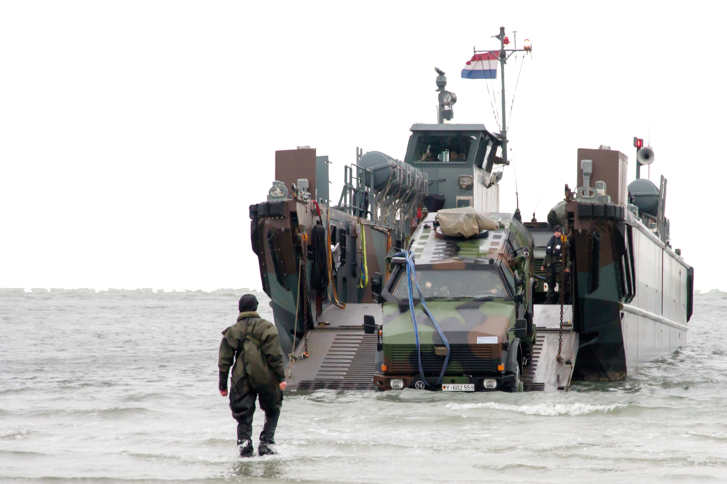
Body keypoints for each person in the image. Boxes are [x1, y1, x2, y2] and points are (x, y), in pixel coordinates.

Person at [218, 294, 287, 457]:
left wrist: (223, 385)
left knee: (243, 414)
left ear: (240, 309)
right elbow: (274, 356)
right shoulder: (268, 327)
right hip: (266, 377)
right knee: (273, 408)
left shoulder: (232, 331)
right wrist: (281, 378)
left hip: (241, 379)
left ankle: (245, 447)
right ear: (255, 308)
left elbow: (224, 361)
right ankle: (266, 443)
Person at [542, 225, 571, 304]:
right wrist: (544, 265)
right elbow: (548, 254)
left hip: (559, 265)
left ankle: (561, 300)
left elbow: (568, 255)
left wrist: (567, 266)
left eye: (558, 232)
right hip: (550, 265)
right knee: (550, 282)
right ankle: (550, 299)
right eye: (555, 232)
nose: (557, 234)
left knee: (561, 282)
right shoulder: (552, 241)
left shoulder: (564, 241)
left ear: (561, 232)